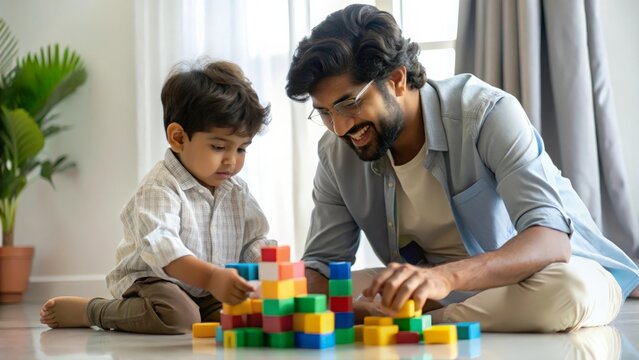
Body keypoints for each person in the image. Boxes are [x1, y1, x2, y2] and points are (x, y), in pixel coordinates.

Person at [286, 4, 639, 332]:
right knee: (328, 292)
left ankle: (422, 322)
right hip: (434, 289)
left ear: (395, 79)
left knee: (568, 291)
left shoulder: (486, 113)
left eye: (349, 104)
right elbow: (321, 266)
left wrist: (445, 279)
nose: (340, 127)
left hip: (541, 275)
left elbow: (550, 240)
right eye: (325, 112)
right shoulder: (336, 152)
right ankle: (427, 317)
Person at [40, 60, 275, 334]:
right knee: (178, 315)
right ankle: (92, 310)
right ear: (178, 138)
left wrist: (269, 273)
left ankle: (204, 307)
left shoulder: (236, 191)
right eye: (219, 146)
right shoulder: (160, 187)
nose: (231, 161)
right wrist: (211, 277)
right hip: (154, 282)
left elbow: (255, 239)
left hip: (207, 288)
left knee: (246, 314)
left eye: (242, 149)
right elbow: (165, 251)